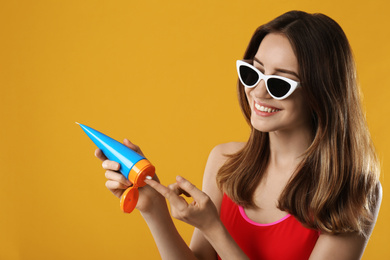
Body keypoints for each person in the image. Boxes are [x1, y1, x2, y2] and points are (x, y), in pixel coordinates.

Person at [95, 10, 382, 260]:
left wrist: (213, 229)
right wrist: (152, 206)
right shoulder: (225, 162)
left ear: (322, 92)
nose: (258, 91)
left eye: (280, 83)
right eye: (253, 73)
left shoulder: (354, 191)